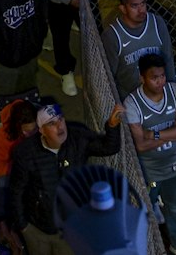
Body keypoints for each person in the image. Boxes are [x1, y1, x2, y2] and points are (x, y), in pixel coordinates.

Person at [8, 99, 123, 254]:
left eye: (60, 119)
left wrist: (112, 126)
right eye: (51, 123)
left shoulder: (77, 137)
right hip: (39, 229)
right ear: (41, 130)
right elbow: (16, 191)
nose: (59, 126)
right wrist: (24, 226)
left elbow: (109, 147)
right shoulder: (25, 153)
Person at [124, 54, 176, 255]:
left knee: (175, 208)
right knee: (142, 213)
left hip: (175, 166)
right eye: (154, 77)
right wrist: (173, 131)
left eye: (163, 76)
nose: (160, 81)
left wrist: (154, 134)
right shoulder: (132, 103)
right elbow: (140, 145)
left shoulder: (175, 92)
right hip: (148, 173)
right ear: (142, 78)